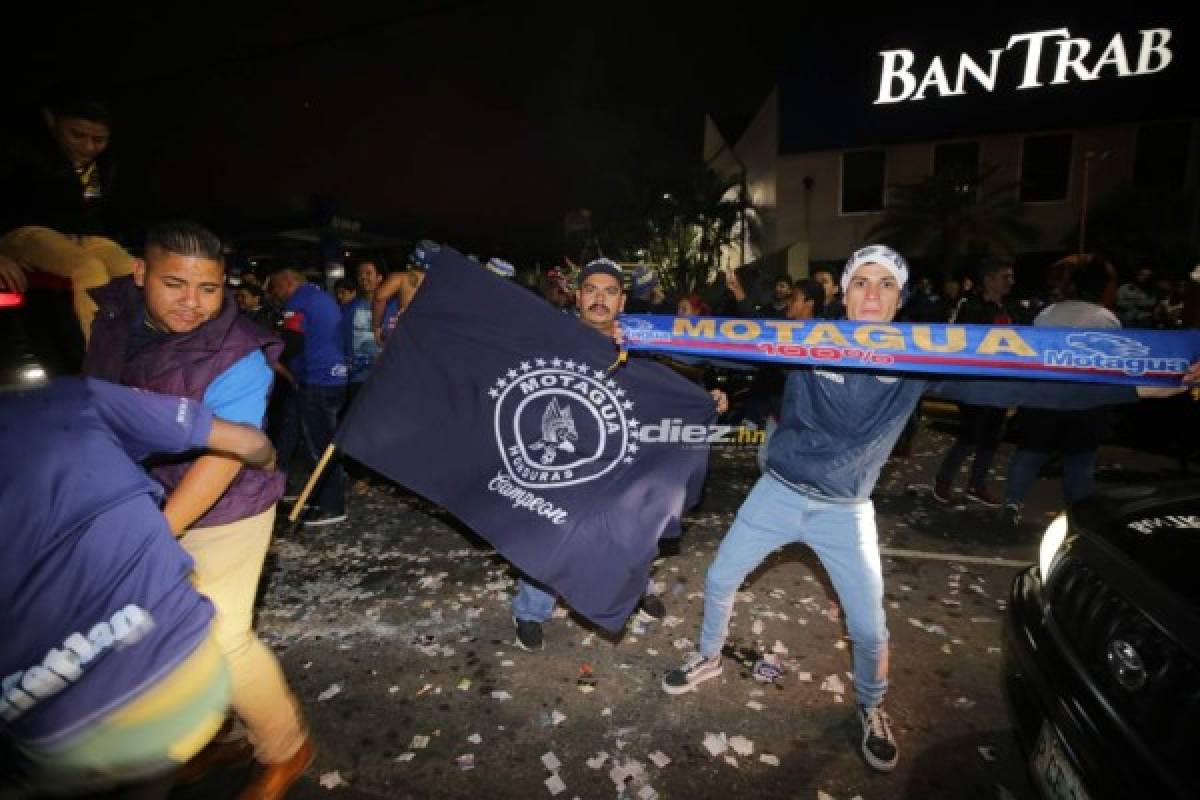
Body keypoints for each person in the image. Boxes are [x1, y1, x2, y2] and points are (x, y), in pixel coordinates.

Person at [660, 244, 1194, 774]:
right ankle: (708, 655)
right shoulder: (805, 342)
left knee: (869, 630)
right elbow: (721, 346)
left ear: (900, 299)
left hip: (845, 510)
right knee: (719, 577)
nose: (872, 294)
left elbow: (1029, 380)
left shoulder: (920, 356)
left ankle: (871, 705)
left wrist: (1138, 385)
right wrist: (639, 336)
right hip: (777, 490)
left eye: (886, 283)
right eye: (861, 282)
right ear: (843, 294)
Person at [82, 221, 313, 799]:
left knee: (221, 636)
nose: (193, 302)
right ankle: (207, 735)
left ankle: (286, 748)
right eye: (175, 284)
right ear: (139, 274)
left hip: (224, 508)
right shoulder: (110, 312)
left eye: (208, 289)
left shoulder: (238, 356)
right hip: (141, 494)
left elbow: (220, 464)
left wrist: (154, 536)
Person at [0, 378, 276, 798]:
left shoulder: (78, 395)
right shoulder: (70, 395)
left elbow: (235, 438)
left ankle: (277, 749)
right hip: (169, 671)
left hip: (61, 724)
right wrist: (267, 456)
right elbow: (245, 441)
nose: (189, 305)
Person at [511, 258, 729, 651]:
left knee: (631, 530)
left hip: (618, 457)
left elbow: (666, 387)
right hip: (562, 454)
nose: (600, 298)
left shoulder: (639, 342)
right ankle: (530, 610)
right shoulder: (550, 334)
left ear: (622, 301)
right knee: (548, 530)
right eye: (591, 290)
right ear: (577, 296)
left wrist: (705, 400)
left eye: (609, 292)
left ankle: (632, 592)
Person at [0, 93, 133, 342]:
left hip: (83, 237)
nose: (88, 147)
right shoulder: (21, 154)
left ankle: (149, 359)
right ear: (52, 121)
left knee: (135, 274)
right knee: (88, 268)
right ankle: (101, 363)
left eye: (98, 140)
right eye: (78, 135)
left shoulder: (105, 165)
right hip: (26, 232)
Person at [1001, 256, 1123, 526]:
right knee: (1079, 461)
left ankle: (1012, 502)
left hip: (1043, 399)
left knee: (1030, 453)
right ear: (1104, 286)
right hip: (1086, 404)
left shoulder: (1048, 314)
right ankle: (1080, 517)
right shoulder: (1106, 320)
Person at [931, 256, 1018, 508]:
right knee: (970, 435)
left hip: (1001, 383)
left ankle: (977, 485)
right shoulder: (969, 306)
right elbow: (952, 337)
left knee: (992, 436)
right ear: (989, 280)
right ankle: (943, 483)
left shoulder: (1011, 309)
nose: (1011, 282)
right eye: (1005, 277)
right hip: (974, 384)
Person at [267, 266, 350, 527]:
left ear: (289, 281)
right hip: (335, 378)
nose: (275, 294)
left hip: (317, 379)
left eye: (276, 287)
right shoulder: (320, 296)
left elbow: (292, 342)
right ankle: (320, 496)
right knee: (321, 441)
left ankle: (332, 506)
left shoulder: (299, 300)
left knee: (320, 448)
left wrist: (268, 347)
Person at [372, 240, 437, 343]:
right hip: (429, 337)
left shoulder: (401, 278)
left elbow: (380, 297)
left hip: (406, 333)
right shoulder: (441, 283)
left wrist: (376, 327)